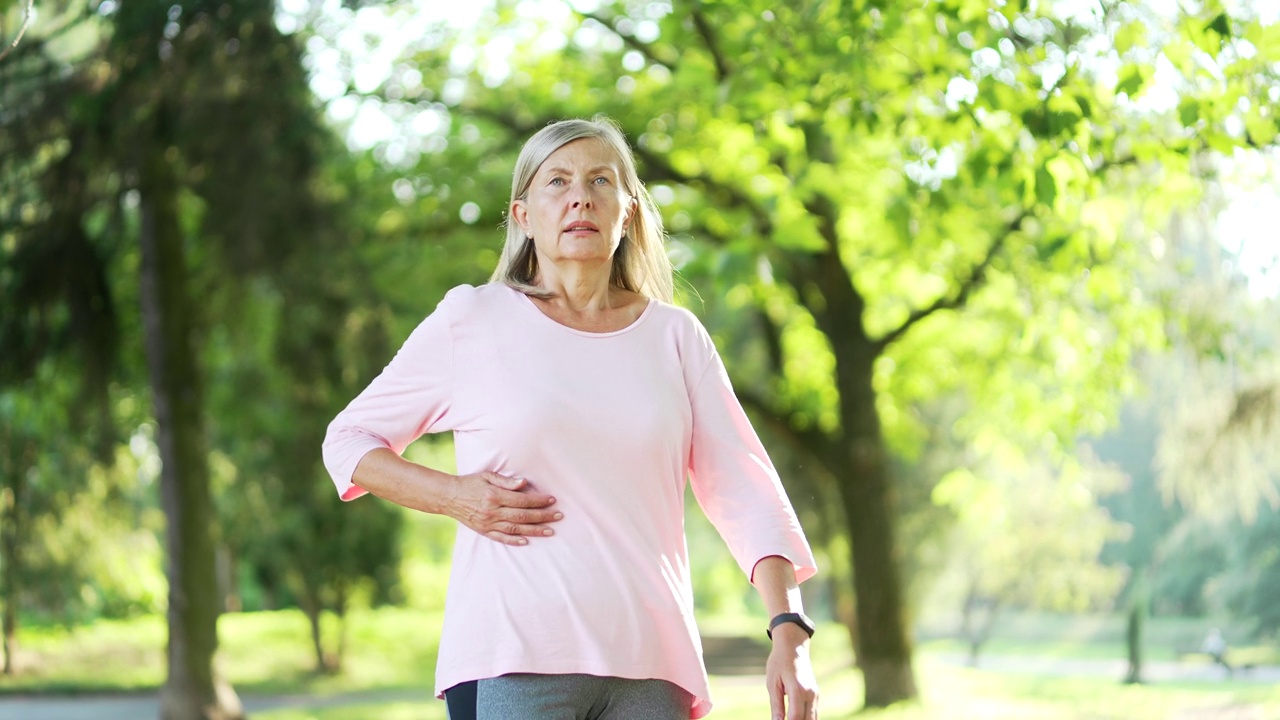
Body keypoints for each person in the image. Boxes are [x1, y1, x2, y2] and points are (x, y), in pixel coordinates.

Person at [322, 116, 819, 720]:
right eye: (557, 181)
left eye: (600, 180)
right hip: (513, 659)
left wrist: (788, 627)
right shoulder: (473, 320)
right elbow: (348, 440)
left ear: (628, 212)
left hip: (651, 668)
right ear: (523, 215)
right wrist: (454, 496)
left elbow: (746, 489)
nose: (580, 195)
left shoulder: (676, 337)